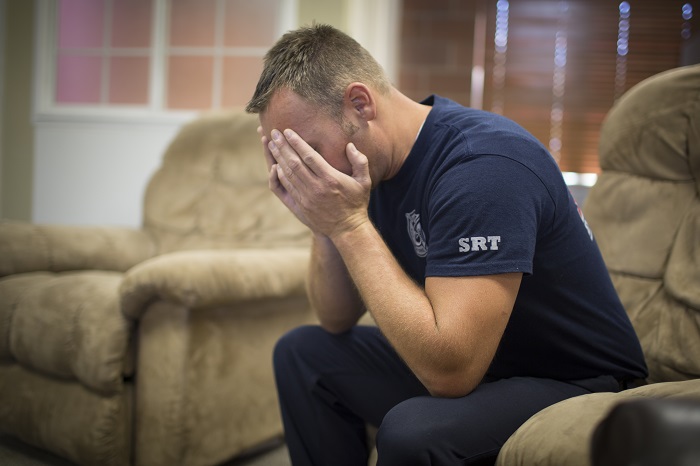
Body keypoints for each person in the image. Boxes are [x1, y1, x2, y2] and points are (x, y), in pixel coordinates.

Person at [245, 24, 647, 466]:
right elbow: (335, 317)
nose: (305, 169)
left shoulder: (482, 167)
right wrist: (321, 220)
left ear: (360, 104)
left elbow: (450, 372)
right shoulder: (366, 167)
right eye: (290, 158)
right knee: (304, 354)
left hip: (578, 378)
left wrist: (347, 225)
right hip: (489, 365)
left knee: (412, 433)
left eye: (308, 151)